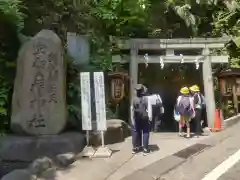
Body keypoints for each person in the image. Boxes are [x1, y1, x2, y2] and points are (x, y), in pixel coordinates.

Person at [132, 84, 151, 155]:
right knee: (145, 132)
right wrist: (150, 118)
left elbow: (132, 109)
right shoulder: (146, 98)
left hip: (136, 118)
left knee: (136, 132)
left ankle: (135, 148)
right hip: (145, 118)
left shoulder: (134, 99)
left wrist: (132, 119)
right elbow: (149, 109)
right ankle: (145, 149)